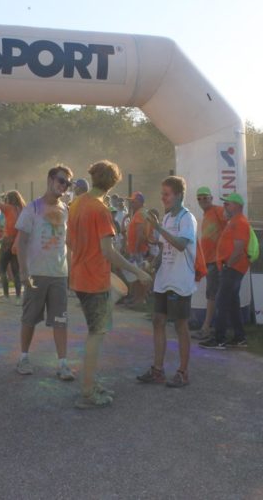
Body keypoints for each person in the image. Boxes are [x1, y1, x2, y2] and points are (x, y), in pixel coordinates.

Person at [68, 160, 151, 409]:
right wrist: (138, 271)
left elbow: (70, 242)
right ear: (113, 183)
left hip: (80, 276)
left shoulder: (76, 204)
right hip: (94, 280)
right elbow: (108, 251)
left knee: (95, 331)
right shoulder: (100, 209)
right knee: (96, 335)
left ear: (93, 177)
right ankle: (88, 391)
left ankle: (91, 382)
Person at [15, 165, 75, 381]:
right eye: (61, 181)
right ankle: (23, 358)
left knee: (61, 320)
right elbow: (21, 242)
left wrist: (71, 272)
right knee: (29, 318)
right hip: (36, 273)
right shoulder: (32, 208)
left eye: (67, 184)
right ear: (50, 180)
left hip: (59, 274)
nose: (64, 186)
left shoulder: (66, 210)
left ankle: (63, 364)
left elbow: (68, 244)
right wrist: (23, 271)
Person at [137, 176, 197, 388]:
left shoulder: (187, 218)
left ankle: (183, 372)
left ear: (179, 195)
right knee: (158, 320)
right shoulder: (167, 217)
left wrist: (158, 228)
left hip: (180, 280)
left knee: (180, 324)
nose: (163, 198)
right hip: (164, 279)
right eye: (162, 194)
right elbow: (165, 249)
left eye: (167, 194)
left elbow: (180, 244)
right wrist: (152, 266)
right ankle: (158, 370)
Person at [200, 192, 252, 350]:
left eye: (227, 204)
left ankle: (219, 339)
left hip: (233, 268)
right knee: (233, 303)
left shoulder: (240, 222)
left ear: (237, 206)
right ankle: (240, 338)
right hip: (232, 267)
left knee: (221, 302)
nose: (224, 206)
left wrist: (228, 265)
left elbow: (239, 248)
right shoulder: (234, 221)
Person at [192, 186, 228, 340]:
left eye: (205, 198)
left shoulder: (218, 211)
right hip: (210, 261)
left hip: (217, 261)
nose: (202, 201)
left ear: (211, 198)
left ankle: (207, 328)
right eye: (199, 198)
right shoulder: (207, 214)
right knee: (214, 295)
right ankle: (215, 328)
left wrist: (224, 253)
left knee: (212, 295)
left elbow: (230, 227)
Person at [0, 191, 25, 300]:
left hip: (7, 242)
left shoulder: (9, 208)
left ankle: (6, 295)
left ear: (9, 199)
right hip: (18, 243)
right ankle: (18, 295)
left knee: (2, 268)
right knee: (16, 270)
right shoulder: (23, 210)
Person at [125, 191, 149, 306]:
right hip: (136, 249)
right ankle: (135, 298)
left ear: (139, 202)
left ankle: (140, 299)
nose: (131, 204)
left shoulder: (140, 214)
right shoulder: (138, 213)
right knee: (135, 275)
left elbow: (140, 234)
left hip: (138, 250)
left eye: (133, 202)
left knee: (139, 276)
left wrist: (135, 250)